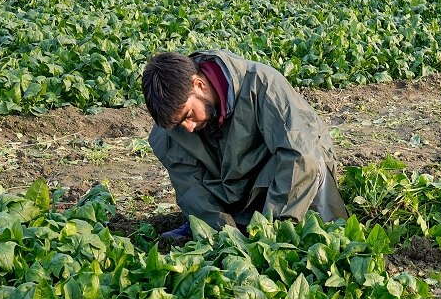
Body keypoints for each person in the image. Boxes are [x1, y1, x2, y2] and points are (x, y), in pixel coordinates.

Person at [141, 50, 347, 241]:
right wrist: (227, 238)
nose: (188, 127)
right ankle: (233, 227)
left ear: (199, 85)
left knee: (312, 164)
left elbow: (300, 156)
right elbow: (192, 190)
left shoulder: (262, 85)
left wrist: (271, 232)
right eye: (179, 123)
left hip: (275, 187)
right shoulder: (170, 129)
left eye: (188, 115)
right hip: (232, 194)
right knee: (210, 227)